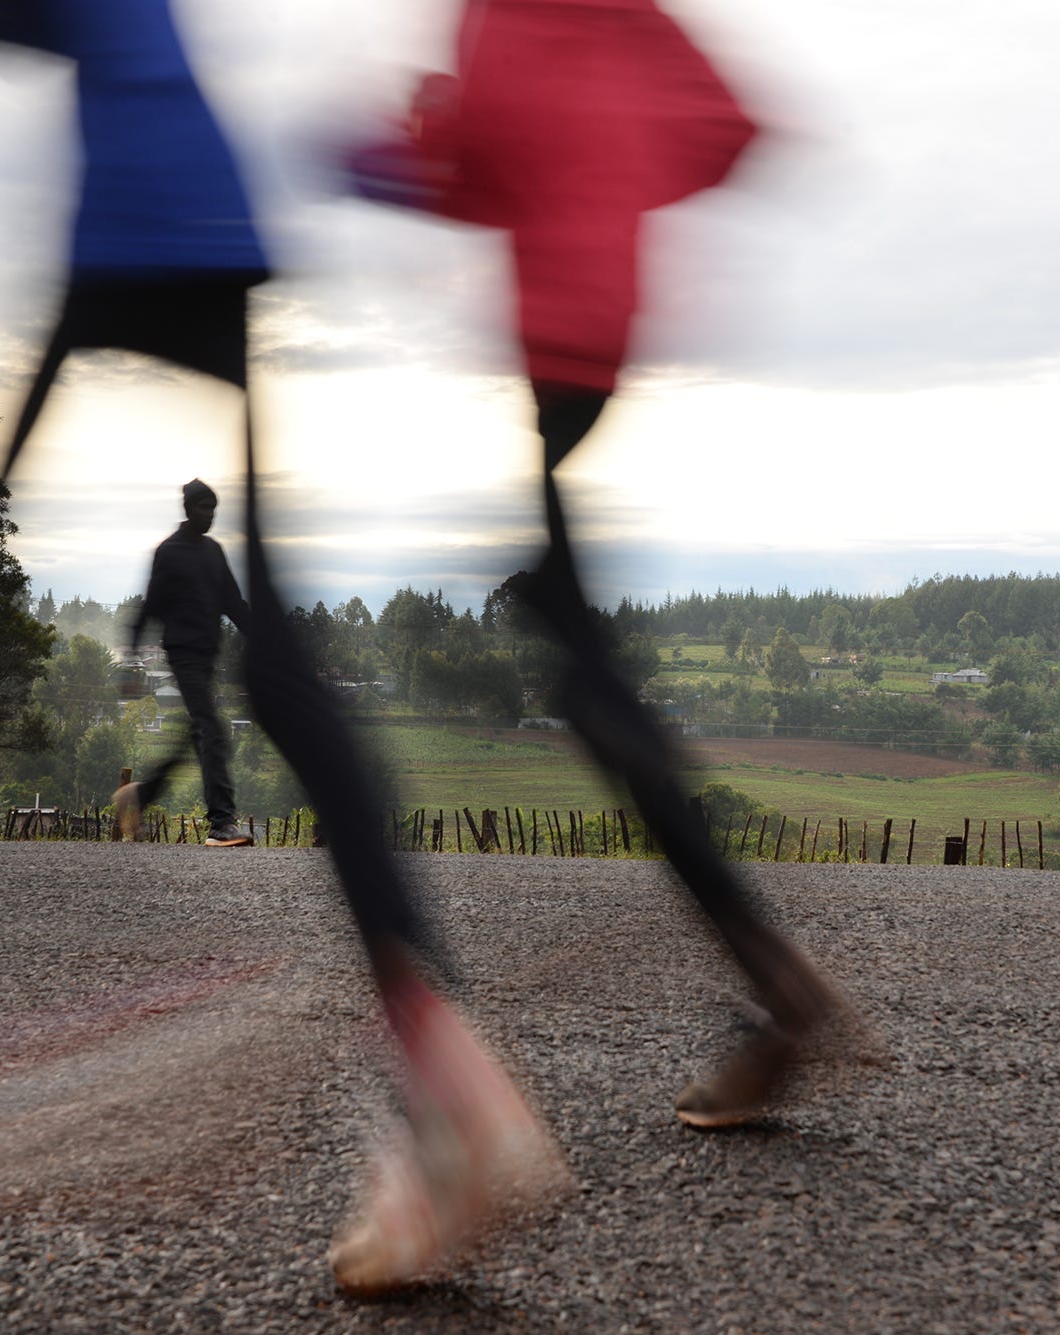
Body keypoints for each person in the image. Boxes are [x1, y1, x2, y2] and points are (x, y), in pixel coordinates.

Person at [0, 0, 566, 1296]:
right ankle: (442, 1064)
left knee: (254, 699)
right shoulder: (193, 543)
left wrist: (14, 450)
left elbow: (70, 60)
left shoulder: (105, 69)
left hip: (165, 225)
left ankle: (444, 1083)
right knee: (273, 688)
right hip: (216, 229)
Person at [348, 0, 844, 1133]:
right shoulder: (628, 11)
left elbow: (475, 160)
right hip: (604, 332)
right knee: (577, 658)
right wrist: (608, 175)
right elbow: (727, 129)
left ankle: (773, 979)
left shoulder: (498, 13)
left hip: (557, 338)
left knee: (587, 687)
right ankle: (769, 977)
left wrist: (422, 134)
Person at [113, 478, 252, 847]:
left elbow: (234, 604)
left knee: (196, 735)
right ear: (188, 510)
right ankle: (222, 822)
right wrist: (131, 655)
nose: (209, 516)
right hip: (182, 653)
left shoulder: (214, 552)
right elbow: (151, 603)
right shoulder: (169, 552)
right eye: (203, 509)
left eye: (213, 510)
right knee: (213, 731)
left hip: (207, 656)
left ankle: (139, 796)